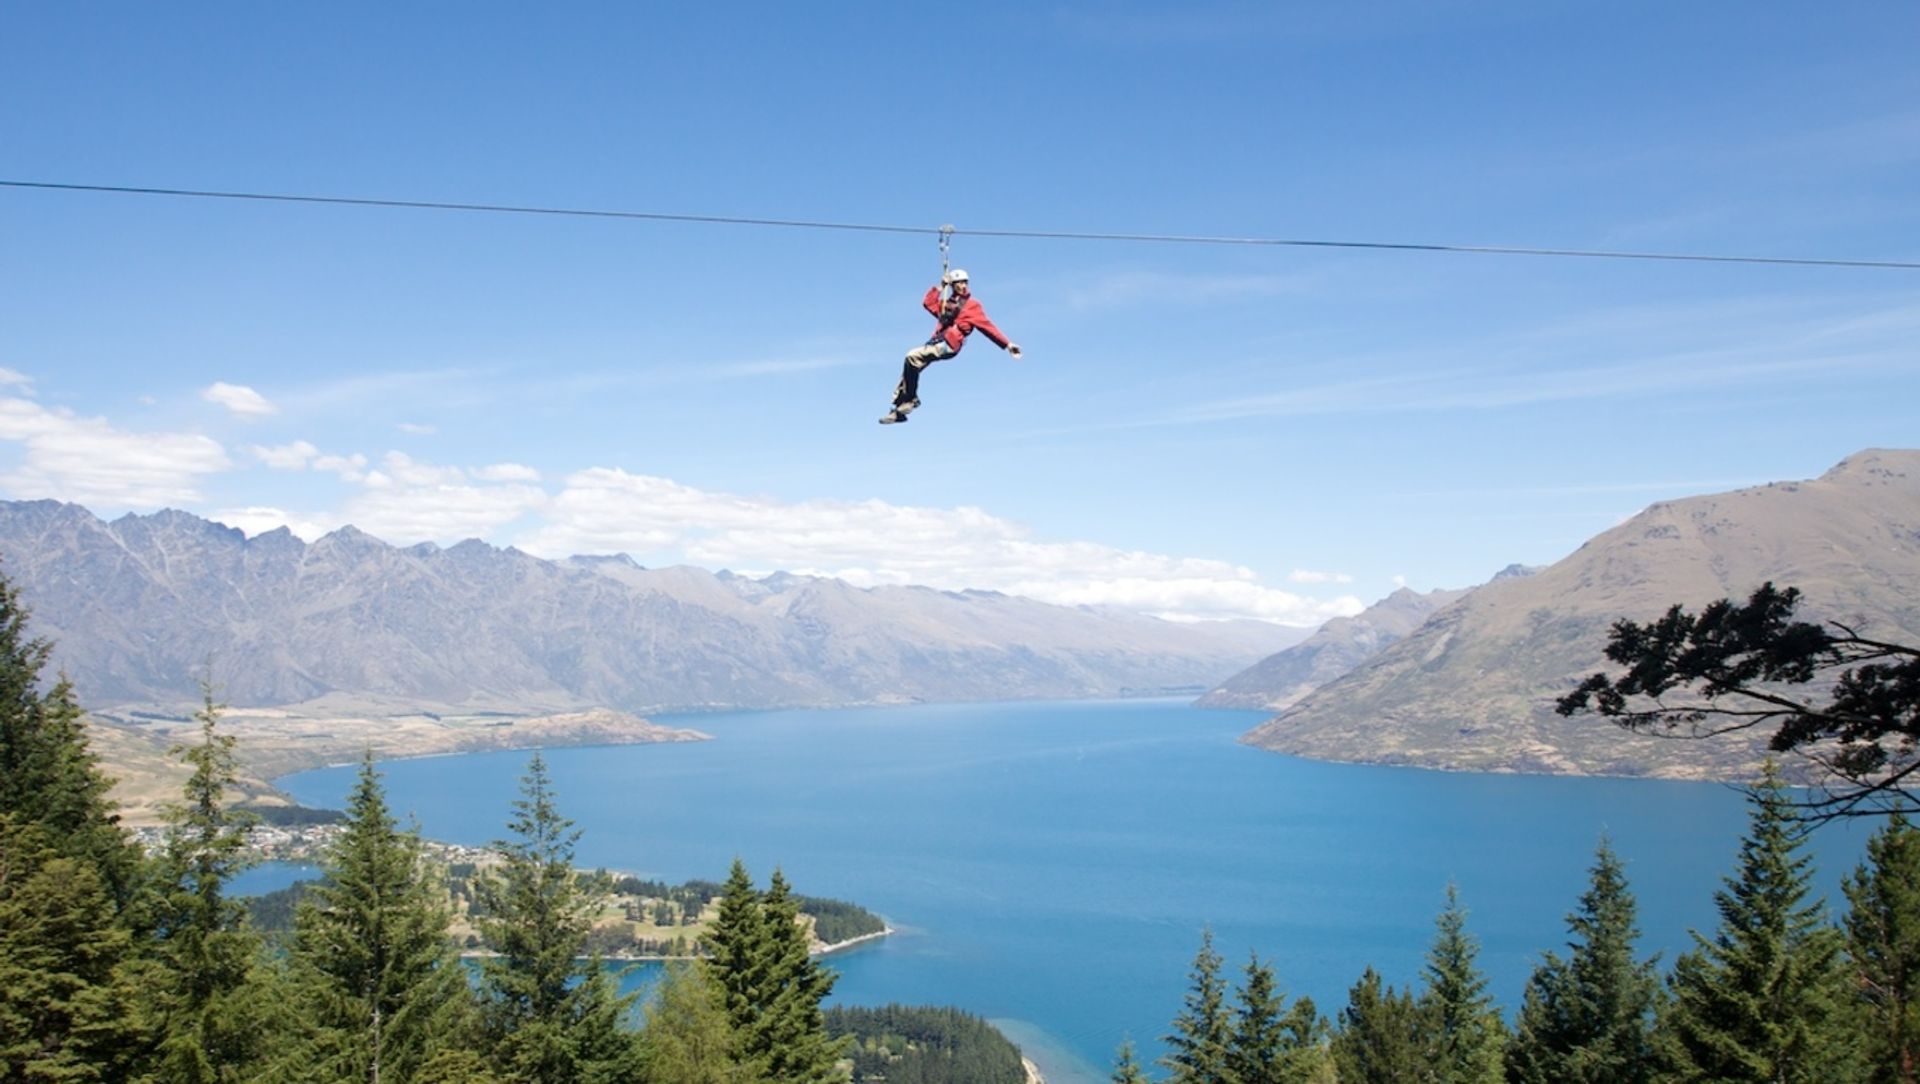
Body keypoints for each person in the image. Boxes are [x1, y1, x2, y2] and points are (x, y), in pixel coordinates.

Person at [880, 268, 1022, 424]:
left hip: (949, 345)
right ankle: (900, 408)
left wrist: (1007, 344)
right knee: (911, 367)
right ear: (953, 285)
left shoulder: (972, 306)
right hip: (937, 342)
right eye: (958, 283)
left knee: (912, 356)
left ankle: (911, 400)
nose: (962, 286)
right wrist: (941, 287)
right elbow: (928, 303)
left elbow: (987, 327)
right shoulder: (947, 304)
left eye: (964, 282)